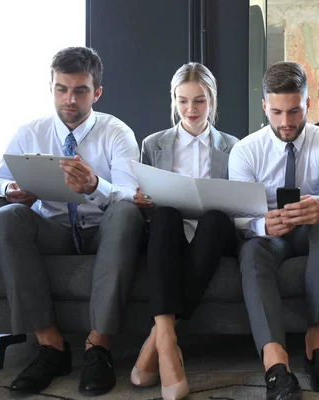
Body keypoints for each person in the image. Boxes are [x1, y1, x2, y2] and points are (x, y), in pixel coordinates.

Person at [0, 46, 144, 396]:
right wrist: (11, 188)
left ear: (97, 92)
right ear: (51, 87)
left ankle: (98, 348)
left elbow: (129, 192)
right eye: (62, 89)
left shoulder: (116, 132)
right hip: (53, 229)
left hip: (101, 229)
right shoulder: (30, 131)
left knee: (125, 212)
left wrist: (94, 186)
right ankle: (50, 347)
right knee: (8, 216)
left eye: (80, 90)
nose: (69, 99)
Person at [229, 61, 319, 400]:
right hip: (270, 237)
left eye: (294, 111)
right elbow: (236, 216)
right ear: (264, 107)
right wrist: (261, 223)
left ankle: (317, 343)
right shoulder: (245, 150)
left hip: (313, 233)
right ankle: (276, 363)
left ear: (308, 103)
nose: (286, 123)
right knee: (251, 249)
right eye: (276, 112)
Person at [130, 62, 239, 400]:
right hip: (168, 233)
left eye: (200, 101)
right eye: (183, 101)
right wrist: (142, 201)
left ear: (213, 101)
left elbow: (239, 201)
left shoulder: (234, 147)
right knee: (164, 216)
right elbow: (143, 196)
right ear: (174, 101)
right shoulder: (152, 144)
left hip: (214, 234)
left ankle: (156, 341)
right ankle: (166, 343)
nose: (191, 110)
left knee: (217, 218)